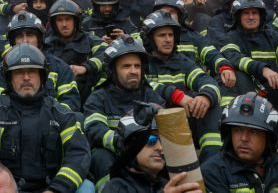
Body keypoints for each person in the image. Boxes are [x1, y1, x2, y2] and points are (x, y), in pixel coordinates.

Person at [0, 43, 91, 193]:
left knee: (86, 187)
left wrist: (57, 189)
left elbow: (78, 154)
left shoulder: (62, 114)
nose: (26, 77)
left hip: (53, 188)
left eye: (32, 72)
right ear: (9, 78)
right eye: (19, 72)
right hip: (7, 189)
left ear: (42, 77)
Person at [84, 35, 172, 176]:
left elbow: (166, 132)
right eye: (126, 66)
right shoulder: (98, 97)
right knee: (100, 156)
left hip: (148, 155)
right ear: (113, 71)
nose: (133, 71)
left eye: (137, 66)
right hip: (115, 157)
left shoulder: (151, 96)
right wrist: (122, 142)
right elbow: (94, 130)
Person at [140, 11, 223, 158]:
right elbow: (143, 86)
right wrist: (176, 95)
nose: (168, 40)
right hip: (153, 130)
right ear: (149, 39)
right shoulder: (140, 62)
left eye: (171, 35)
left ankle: (211, 157)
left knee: (212, 105)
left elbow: (205, 80)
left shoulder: (182, 61)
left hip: (185, 125)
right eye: (162, 35)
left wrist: (205, 97)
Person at [200, 93, 278, 193]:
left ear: (269, 137)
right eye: (237, 130)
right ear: (229, 134)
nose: (244, 138)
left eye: (253, 131)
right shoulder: (212, 172)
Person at [0, 11, 80, 111]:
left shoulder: (59, 67)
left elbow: (70, 102)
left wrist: (50, 117)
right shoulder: (2, 70)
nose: (25, 40)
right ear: (13, 42)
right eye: (20, 36)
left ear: (39, 39)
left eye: (30, 35)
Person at [218, 0, 278, 109]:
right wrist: (263, 69)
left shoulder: (271, 35)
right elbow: (234, 57)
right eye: (246, 13)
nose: (251, 17)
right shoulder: (230, 37)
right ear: (238, 16)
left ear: (261, 16)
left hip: (273, 89)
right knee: (237, 74)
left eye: (254, 13)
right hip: (245, 92)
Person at [104, 105, 204, 193]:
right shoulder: (116, 187)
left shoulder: (167, 185)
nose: (160, 148)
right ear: (128, 147)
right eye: (151, 140)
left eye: (163, 142)